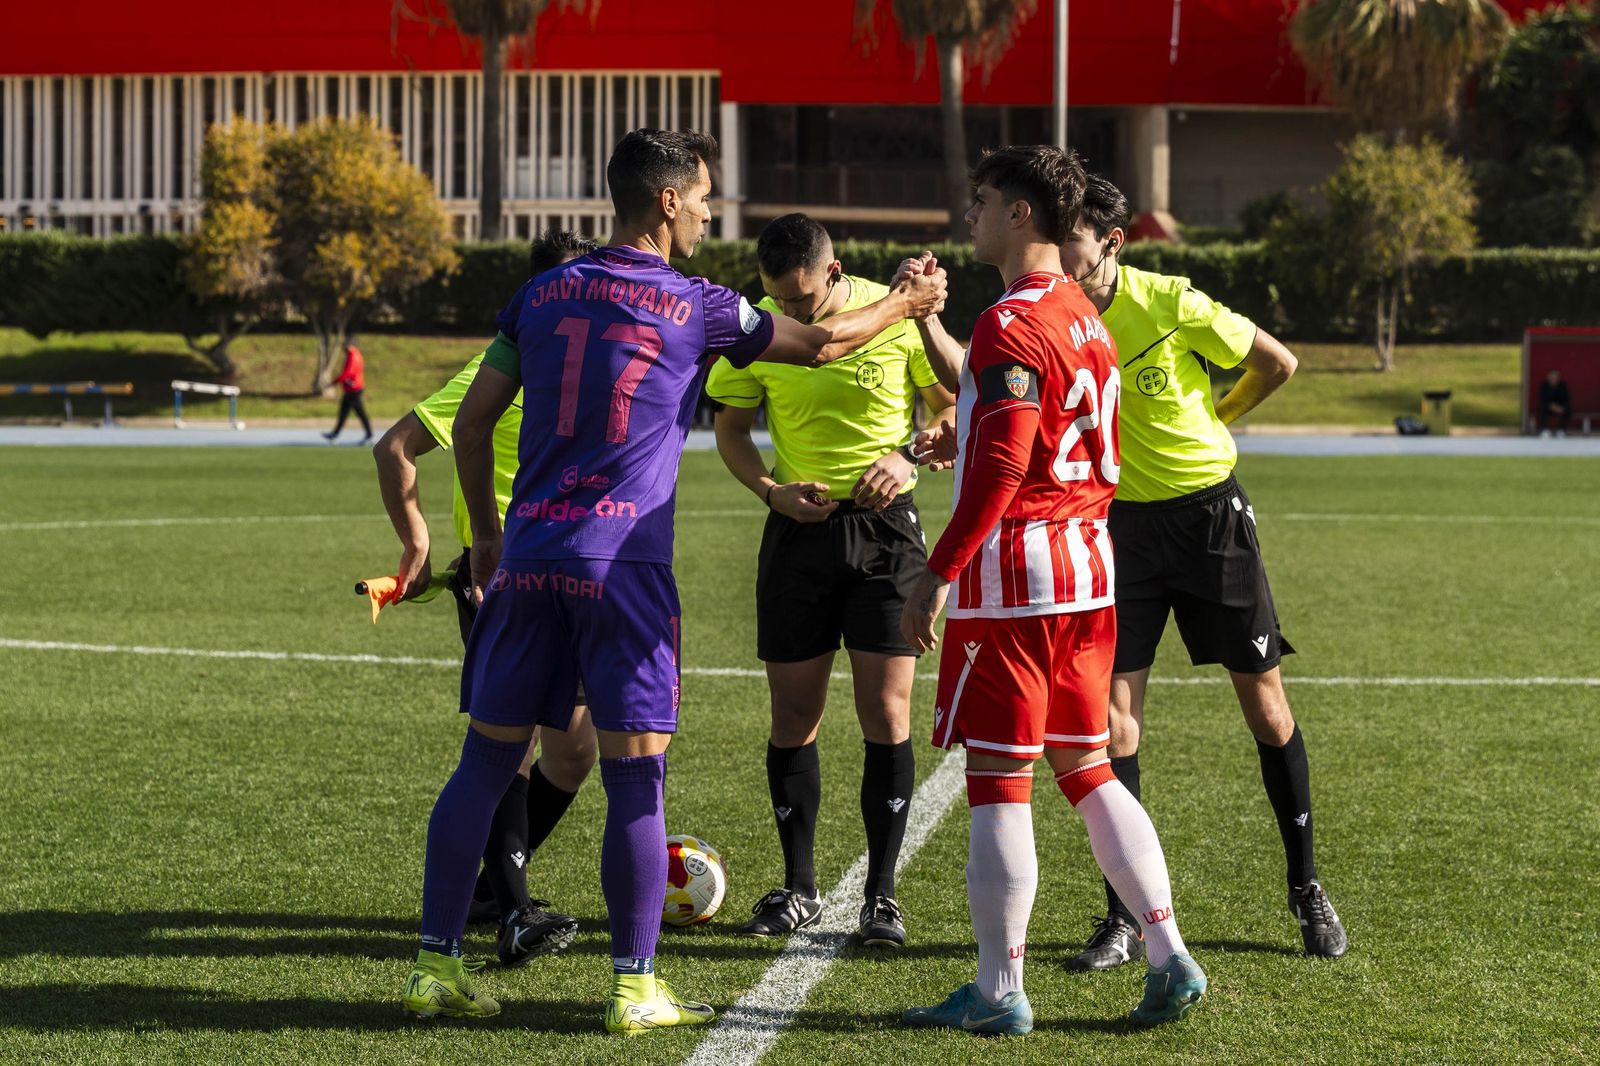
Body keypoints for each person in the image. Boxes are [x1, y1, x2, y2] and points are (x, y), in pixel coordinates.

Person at [400, 127, 948, 1033]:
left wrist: (490, 534)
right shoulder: (695, 303)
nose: (706, 212)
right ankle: (633, 986)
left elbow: (472, 425)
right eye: (700, 198)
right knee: (636, 778)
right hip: (621, 569)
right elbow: (818, 344)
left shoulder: (539, 293)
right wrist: (906, 301)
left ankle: (433, 966)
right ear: (665, 201)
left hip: (530, 559)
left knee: (484, 766)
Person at [898, 145, 1205, 1038]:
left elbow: (1000, 466)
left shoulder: (1010, 321)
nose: (974, 217)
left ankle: (998, 992)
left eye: (984, 201)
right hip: (1089, 571)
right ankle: (1168, 952)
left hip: (1018, 581)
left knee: (999, 779)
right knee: (1089, 766)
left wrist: (937, 572)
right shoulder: (1084, 313)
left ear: (1021, 216)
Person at [1046, 173, 1347, 968]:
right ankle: (1123, 916)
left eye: (1069, 237)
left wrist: (1219, 416)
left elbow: (1277, 362)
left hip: (1212, 521)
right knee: (1113, 726)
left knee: (1267, 710)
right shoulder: (1055, 314)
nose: (1054, 249)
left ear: (1109, 244)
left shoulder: (1170, 301)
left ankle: (1306, 889)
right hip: (1121, 533)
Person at [705, 213, 954, 948]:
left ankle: (881, 897)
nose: (793, 313)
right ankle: (801, 886)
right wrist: (769, 490)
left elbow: (950, 410)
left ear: (834, 271)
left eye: (804, 299)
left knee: (887, 710)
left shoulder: (896, 311)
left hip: (886, 536)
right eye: (779, 300)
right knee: (793, 717)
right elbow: (729, 425)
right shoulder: (759, 331)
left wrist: (909, 456)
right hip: (797, 536)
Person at [372, 231, 599, 969]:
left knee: (574, 751)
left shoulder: (603, 355)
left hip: (578, 571)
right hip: (503, 575)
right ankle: (512, 911)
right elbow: (396, 446)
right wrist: (419, 547)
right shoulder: (504, 362)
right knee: (512, 748)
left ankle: (497, 891)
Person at [324, 336, 373, 443]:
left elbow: (348, 372)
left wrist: (334, 382)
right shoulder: (355, 354)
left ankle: (369, 435)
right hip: (351, 389)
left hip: (354, 389)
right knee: (344, 412)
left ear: (350, 345)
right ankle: (335, 434)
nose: (343, 348)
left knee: (359, 412)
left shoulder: (353, 355)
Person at [1538, 368, 1571, 437]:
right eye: (1552, 376)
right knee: (1542, 408)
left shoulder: (1562, 386)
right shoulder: (1544, 386)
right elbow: (1542, 399)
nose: (1553, 378)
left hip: (1560, 408)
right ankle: (1545, 430)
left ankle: (1561, 430)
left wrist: (1561, 407)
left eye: (1555, 376)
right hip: (1548, 407)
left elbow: (1566, 399)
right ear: (1548, 377)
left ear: (1558, 377)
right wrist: (1551, 406)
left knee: (1568, 409)